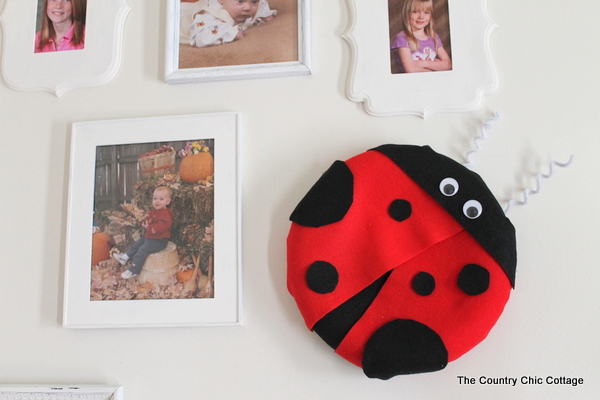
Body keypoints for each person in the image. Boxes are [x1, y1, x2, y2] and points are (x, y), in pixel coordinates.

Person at [113, 186, 174, 279]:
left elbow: (161, 227)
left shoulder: (165, 214)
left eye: (161, 199)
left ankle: (133, 271)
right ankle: (125, 257)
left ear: (168, 201)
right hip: (151, 238)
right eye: (155, 199)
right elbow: (150, 217)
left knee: (142, 250)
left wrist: (149, 227)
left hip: (160, 241)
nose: (157, 201)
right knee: (137, 244)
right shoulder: (154, 211)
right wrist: (146, 219)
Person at [391, 0, 451, 73]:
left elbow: (448, 65)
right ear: (407, 13)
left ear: (431, 15)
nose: (421, 17)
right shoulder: (402, 38)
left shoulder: (434, 37)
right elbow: (410, 69)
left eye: (426, 12)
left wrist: (424, 63)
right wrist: (435, 68)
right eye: (415, 11)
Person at [187, 0, 276, 48]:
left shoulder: (253, 5)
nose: (248, 7)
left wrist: (265, 14)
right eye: (240, 1)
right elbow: (199, 38)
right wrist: (229, 32)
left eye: (253, 2)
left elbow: (262, 3)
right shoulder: (209, 15)